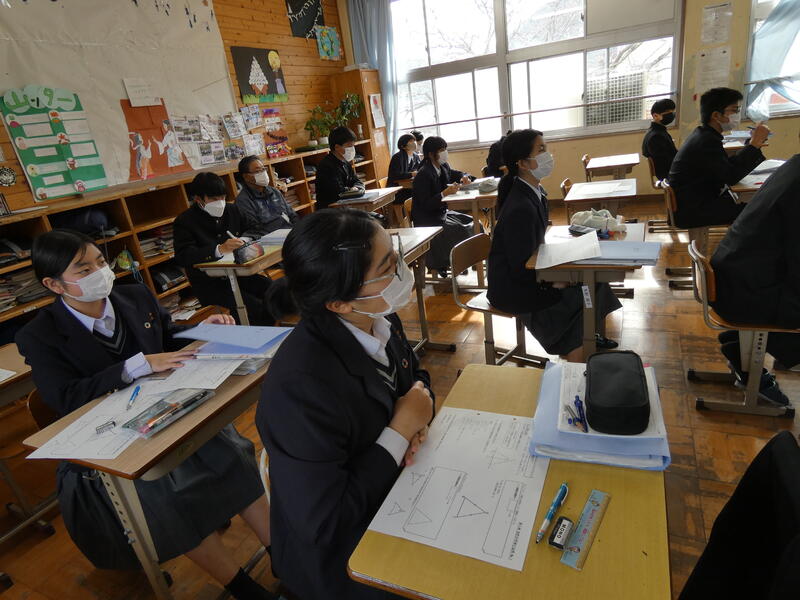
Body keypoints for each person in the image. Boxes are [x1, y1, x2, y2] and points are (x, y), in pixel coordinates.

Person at [15, 230, 276, 600]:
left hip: (168, 410)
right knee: (163, 495)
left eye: (100, 262)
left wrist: (199, 330)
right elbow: (64, 397)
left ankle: (282, 555)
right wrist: (136, 366)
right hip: (112, 440)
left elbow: (167, 337)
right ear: (54, 284)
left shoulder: (134, 296)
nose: (99, 273)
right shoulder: (39, 335)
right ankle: (242, 586)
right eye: (83, 269)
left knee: (234, 453)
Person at [257, 208, 435, 600]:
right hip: (342, 555)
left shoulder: (378, 318)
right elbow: (326, 521)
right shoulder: (300, 386)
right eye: (388, 267)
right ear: (339, 303)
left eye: (396, 256)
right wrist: (400, 431)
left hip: (398, 493)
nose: (402, 272)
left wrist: (417, 417)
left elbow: (414, 381)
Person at [487, 129, 620, 361]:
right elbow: (519, 268)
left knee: (596, 283)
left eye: (545, 148)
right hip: (514, 289)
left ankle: (587, 337)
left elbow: (532, 250)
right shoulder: (520, 207)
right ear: (523, 164)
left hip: (530, 274)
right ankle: (577, 347)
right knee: (584, 294)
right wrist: (555, 281)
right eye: (541, 150)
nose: (547, 155)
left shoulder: (534, 192)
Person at [709, 155, 800, 406]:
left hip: (732, 277)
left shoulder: (794, 165)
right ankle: (748, 356)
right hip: (743, 291)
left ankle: (740, 348)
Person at [173, 171, 274, 325]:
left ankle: (273, 329)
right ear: (198, 199)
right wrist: (219, 249)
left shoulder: (232, 210)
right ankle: (255, 334)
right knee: (252, 306)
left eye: (222, 197)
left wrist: (244, 239)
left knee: (273, 290)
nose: (220, 202)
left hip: (240, 274)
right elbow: (183, 256)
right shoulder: (185, 221)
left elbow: (256, 228)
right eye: (214, 199)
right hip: (211, 283)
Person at [668, 87, 770, 229]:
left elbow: (726, 166)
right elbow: (731, 176)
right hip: (694, 210)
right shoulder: (706, 141)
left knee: (756, 203)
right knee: (762, 209)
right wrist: (754, 144)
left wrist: (752, 144)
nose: (737, 115)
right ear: (716, 115)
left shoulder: (704, 135)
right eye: (734, 110)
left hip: (695, 203)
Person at [411, 136, 475, 273]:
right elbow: (425, 205)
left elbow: (457, 174)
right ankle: (455, 261)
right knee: (461, 230)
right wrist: (443, 194)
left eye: (445, 149)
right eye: (441, 150)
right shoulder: (423, 174)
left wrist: (465, 177)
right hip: (428, 220)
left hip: (441, 214)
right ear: (430, 154)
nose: (445, 152)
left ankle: (470, 259)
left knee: (474, 223)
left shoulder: (443, 166)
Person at [234, 155, 298, 237]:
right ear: (246, 177)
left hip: (289, 233)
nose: (263, 173)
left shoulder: (274, 191)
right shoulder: (243, 201)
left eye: (263, 169)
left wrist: (298, 230)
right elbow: (255, 228)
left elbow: (292, 215)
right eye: (257, 171)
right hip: (268, 239)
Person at [315, 126, 365, 209]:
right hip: (331, 211)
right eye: (349, 146)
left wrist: (356, 188)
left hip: (346, 207)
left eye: (353, 146)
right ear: (337, 147)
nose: (352, 149)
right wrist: (353, 190)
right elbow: (337, 192)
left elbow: (357, 181)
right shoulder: (326, 166)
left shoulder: (345, 162)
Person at [642, 98, 678, 181]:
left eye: (672, 112)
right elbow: (664, 163)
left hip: (672, 173)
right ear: (655, 116)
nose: (671, 115)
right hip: (670, 176)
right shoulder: (656, 136)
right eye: (668, 113)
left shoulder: (656, 132)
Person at [386, 133, 421, 204]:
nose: (414, 143)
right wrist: (412, 174)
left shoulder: (416, 156)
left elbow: (419, 169)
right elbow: (396, 176)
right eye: (410, 141)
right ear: (403, 146)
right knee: (419, 195)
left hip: (408, 186)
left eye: (414, 140)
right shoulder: (397, 157)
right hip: (397, 190)